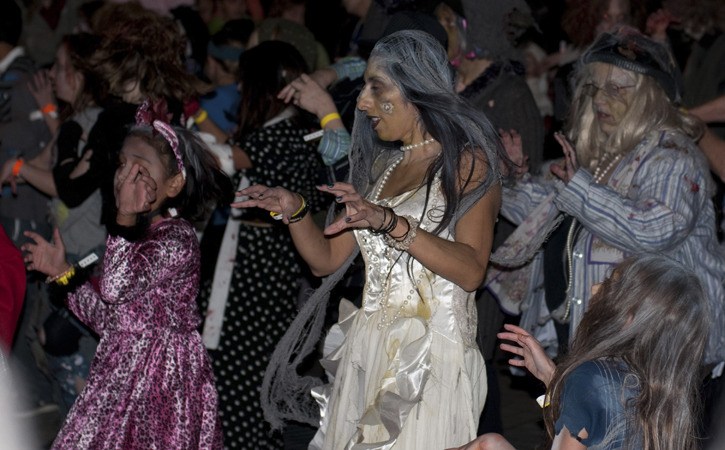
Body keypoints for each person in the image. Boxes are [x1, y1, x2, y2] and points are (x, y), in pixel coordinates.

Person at [235, 30, 505, 449]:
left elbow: (471, 271)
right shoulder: (384, 168)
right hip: (368, 353)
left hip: (430, 361)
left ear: (415, 89)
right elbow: (325, 260)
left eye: (375, 87)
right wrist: (294, 210)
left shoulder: (467, 163)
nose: (361, 102)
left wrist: (391, 224)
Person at [487, 26, 725, 369]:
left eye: (616, 89)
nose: (599, 100)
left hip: (656, 357)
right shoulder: (602, 156)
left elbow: (654, 228)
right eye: (595, 87)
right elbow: (551, 212)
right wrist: (510, 179)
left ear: (648, 95)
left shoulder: (673, 156)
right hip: (592, 345)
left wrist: (580, 189)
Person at [20, 102, 228, 449]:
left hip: (161, 385)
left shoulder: (178, 238)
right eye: (122, 165)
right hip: (118, 377)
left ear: (174, 184)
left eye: (141, 169)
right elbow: (112, 321)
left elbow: (115, 289)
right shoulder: (134, 236)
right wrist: (63, 274)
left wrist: (123, 217)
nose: (125, 176)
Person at [197, 39, 324, 449]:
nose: (238, 93)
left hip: (256, 291)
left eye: (244, 85)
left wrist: (191, 115)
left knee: (240, 396)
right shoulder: (296, 136)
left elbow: (227, 157)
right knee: (253, 397)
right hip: (267, 288)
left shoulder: (279, 139)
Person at [453, 254, 710, 450]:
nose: (596, 288)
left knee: (487, 444)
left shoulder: (591, 377)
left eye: (610, 285)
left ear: (629, 317)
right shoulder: (664, 394)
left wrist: (564, 382)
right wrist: (552, 379)